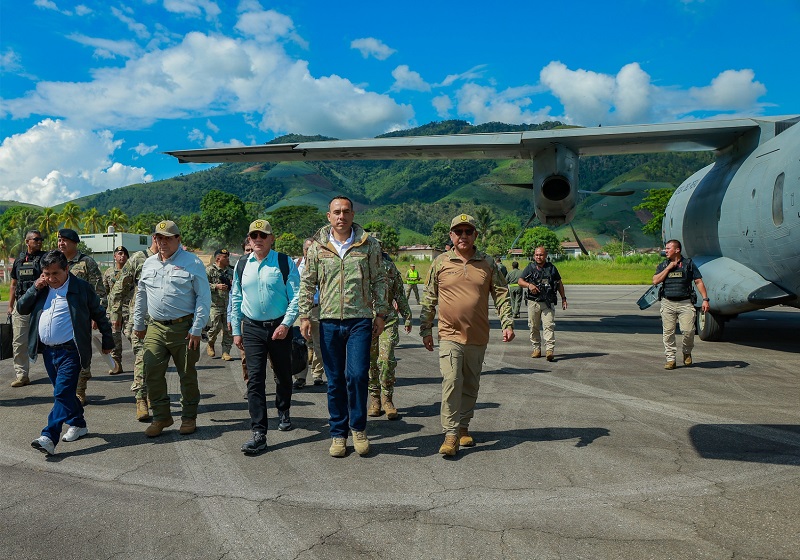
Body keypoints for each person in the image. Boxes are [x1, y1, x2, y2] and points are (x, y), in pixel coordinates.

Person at [299, 196, 389, 458]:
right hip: (327, 321)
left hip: (359, 320)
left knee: (358, 375)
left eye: (346, 212)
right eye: (336, 212)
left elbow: (379, 279)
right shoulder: (318, 247)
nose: (341, 216)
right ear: (329, 216)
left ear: (353, 214)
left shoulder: (369, 245)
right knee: (335, 380)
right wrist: (305, 315)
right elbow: (308, 282)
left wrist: (381, 314)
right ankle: (338, 434)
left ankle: (358, 428)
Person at [420, 213, 514, 457]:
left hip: (477, 335)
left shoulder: (488, 263)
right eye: (458, 232)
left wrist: (507, 322)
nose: (463, 236)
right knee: (451, 382)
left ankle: (463, 426)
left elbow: (502, 293)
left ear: (475, 235)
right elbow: (429, 296)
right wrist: (426, 328)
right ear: (451, 235)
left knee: (471, 384)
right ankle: (450, 434)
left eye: (468, 232)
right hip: (449, 334)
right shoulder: (440, 262)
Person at [17, 250, 114, 456]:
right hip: (49, 353)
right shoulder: (41, 288)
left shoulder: (81, 288)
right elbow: (22, 308)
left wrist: (107, 339)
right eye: (46, 273)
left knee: (61, 393)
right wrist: (35, 287)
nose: (51, 278)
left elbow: (99, 314)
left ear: (66, 269)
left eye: (55, 274)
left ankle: (48, 437)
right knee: (64, 394)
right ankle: (78, 423)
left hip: (72, 351)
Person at [132, 221, 211, 437]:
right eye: (159, 238)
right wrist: (138, 323)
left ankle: (188, 417)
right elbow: (141, 295)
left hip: (183, 327)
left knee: (187, 374)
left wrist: (197, 328)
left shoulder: (192, 262)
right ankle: (161, 416)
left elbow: (203, 298)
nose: (163, 242)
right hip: (155, 327)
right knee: (151, 372)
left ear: (178, 239)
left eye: (168, 238)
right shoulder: (148, 263)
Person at [230, 220, 300, 454]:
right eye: (254, 235)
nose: (258, 239)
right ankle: (259, 432)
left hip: (279, 328)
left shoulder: (283, 262)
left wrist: (287, 324)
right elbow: (236, 298)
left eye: (263, 235)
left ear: (272, 238)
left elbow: (296, 297)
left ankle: (283, 409)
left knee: (283, 374)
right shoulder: (241, 264)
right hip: (252, 328)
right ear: (249, 239)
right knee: (255, 380)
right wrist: (236, 330)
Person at [107, 234, 158, 421]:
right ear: (154, 237)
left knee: (157, 361)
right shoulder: (138, 258)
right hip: (140, 320)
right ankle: (141, 399)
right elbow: (118, 289)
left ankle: (153, 394)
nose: (164, 241)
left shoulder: (174, 259)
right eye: (160, 237)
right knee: (142, 357)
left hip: (164, 321)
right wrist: (115, 315)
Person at [57, 228, 105, 405]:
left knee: (81, 353)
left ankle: (79, 390)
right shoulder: (56, 261)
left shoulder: (86, 263)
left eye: (65, 240)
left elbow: (99, 291)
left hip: (81, 317)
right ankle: (66, 389)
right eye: (59, 240)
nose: (61, 243)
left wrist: (96, 316)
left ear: (75, 243)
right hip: (61, 317)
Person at [368, 248, 412, 420]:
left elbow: (400, 293)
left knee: (386, 361)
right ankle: (375, 400)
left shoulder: (390, 267)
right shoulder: (361, 267)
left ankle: (387, 399)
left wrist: (407, 316)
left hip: (388, 319)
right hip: (366, 321)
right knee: (370, 362)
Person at [653, 239, 710, 369]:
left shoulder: (688, 264)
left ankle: (687, 352)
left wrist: (705, 299)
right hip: (668, 303)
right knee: (668, 332)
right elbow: (655, 280)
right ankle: (670, 359)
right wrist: (669, 268)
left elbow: (698, 281)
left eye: (668, 248)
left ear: (677, 250)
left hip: (685, 303)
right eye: (665, 249)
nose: (665, 251)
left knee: (689, 331)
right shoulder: (663, 265)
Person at [7, 229, 45, 388]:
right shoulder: (19, 261)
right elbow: (14, 285)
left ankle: (58, 372)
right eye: (35, 239)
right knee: (19, 342)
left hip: (41, 306)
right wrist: (10, 305)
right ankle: (22, 375)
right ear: (27, 241)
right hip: (22, 306)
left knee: (50, 340)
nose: (39, 242)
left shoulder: (46, 258)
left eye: (41, 239)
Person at [518, 247, 567, 362]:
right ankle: (536, 349)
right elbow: (520, 281)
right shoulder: (530, 268)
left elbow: (559, 283)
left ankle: (549, 350)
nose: (538, 257)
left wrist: (563, 298)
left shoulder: (552, 268)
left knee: (549, 325)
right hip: (533, 302)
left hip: (547, 303)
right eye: (536, 255)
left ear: (545, 255)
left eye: (540, 255)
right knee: (533, 326)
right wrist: (529, 285)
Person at [292, 237, 326, 389]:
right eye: (307, 249)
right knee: (299, 343)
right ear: (303, 250)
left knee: (320, 344)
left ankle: (317, 374)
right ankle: (300, 377)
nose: (310, 252)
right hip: (299, 310)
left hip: (318, 308)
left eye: (313, 249)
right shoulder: (295, 265)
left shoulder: (323, 264)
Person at [102, 245, 129, 375]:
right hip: (113, 312)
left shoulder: (131, 271)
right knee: (114, 338)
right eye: (119, 253)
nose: (122, 256)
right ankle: (116, 364)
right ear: (115, 256)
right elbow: (105, 292)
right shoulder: (108, 273)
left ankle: (142, 363)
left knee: (132, 336)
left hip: (128, 310)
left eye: (124, 254)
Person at [206, 248, 234, 361]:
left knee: (228, 330)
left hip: (228, 306)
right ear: (218, 258)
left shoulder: (231, 271)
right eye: (225, 257)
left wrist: (233, 284)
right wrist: (215, 286)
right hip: (215, 305)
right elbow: (202, 285)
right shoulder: (209, 270)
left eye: (228, 256)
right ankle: (210, 343)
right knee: (214, 327)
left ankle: (226, 352)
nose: (228, 259)